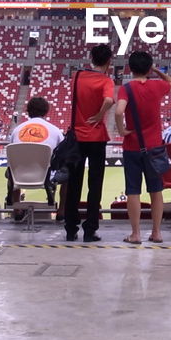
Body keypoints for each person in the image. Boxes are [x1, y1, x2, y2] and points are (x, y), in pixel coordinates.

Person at [114, 51, 171, 243]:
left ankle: (136, 234)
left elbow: (119, 110)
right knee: (156, 191)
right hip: (155, 147)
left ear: (130, 69)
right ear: (148, 68)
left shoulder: (127, 88)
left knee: (133, 191)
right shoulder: (157, 85)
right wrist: (156, 71)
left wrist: (122, 129)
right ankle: (156, 232)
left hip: (132, 146)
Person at [61, 45, 114, 242]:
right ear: (109, 61)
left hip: (77, 137)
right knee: (95, 184)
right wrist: (100, 115)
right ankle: (90, 230)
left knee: (74, 184)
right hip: (97, 137)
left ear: (91, 57)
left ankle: (70, 228)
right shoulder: (106, 80)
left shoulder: (77, 76)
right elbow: (109, 100)